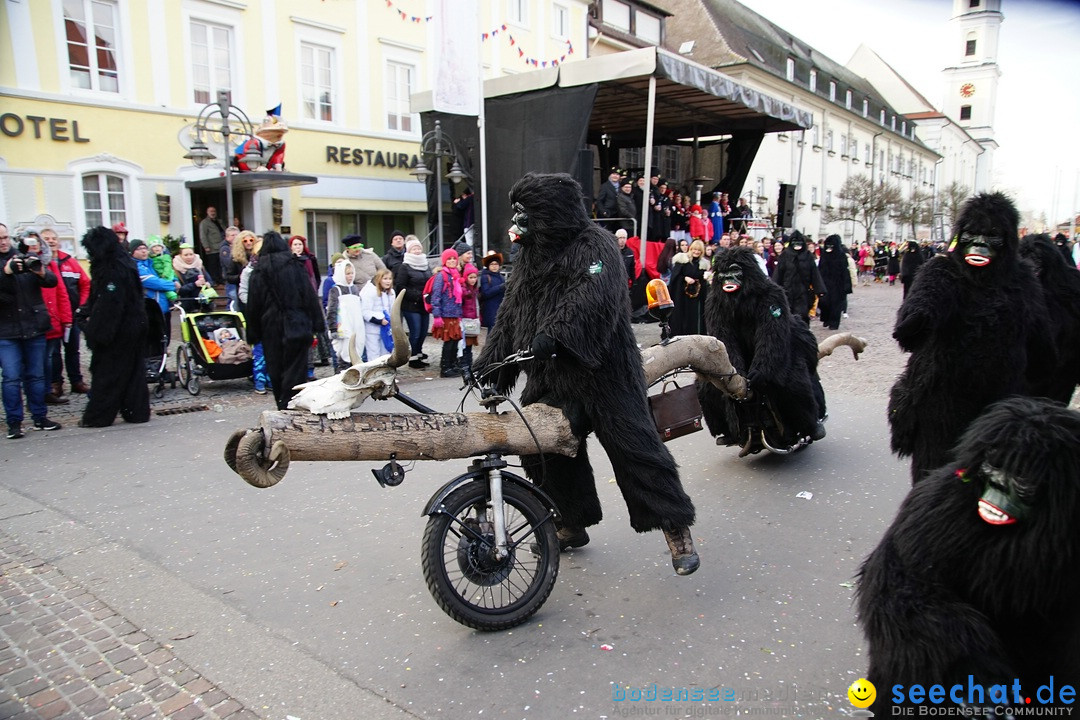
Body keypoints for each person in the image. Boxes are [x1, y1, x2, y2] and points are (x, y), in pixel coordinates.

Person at [245, 232, 326, 410]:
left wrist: (253, 333)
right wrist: (317, 323)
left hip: (270, 329)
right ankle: (292, 405)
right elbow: (309, 296)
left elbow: (253, 307)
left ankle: (282, 406)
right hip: (298, 325)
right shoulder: (296, 267)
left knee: (276, 370)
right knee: (297, 370)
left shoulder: (257, 273)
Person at [79, 226, 150, 428]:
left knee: (108, 373)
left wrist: (95, 333)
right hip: (135, 324)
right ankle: (136, 411)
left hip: (121, 329)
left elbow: (110, 305)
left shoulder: (111, 268)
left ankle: (98, 417)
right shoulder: (123, 262)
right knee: (134, 372)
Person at [22, 232, 72, 406]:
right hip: (30, 322)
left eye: (36, 242)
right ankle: (35, 397)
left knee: (49, 360)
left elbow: (61, 291)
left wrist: (66, 318)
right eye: (30, 242)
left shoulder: (49, 263)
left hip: (51, 319)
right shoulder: (18, 264)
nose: (34, 245)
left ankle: (47, 391)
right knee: (33, 364)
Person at [42, 228, 90, 397]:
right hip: (52, 317)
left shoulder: (70, 262)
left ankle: (76, 381)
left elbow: (85, 284)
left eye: (54, 238)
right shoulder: (40, 263)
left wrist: (82, 306)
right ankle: (56, 383)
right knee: (53, 353)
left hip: (72, 314)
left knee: (73, 350)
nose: (51, 241)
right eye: (46, 238)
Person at [290, 235, 329, 374]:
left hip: (310, 301)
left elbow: (316, 278)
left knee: (311, 336)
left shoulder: (310, 259)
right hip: (295, 303)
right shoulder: (288, 261)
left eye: (299, 244)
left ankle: (310, 368)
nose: (297, 247)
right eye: (295, 245)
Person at [131, 239, 179, 345]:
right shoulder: (135, 266)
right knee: (154, 340)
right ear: (133, 252)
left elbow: (168, 273)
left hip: (164, 306)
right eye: (139, 249)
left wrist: (175, 279)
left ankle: (163, 354)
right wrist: (172, 285)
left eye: (145, 248)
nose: (143, 251)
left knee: (166, 337)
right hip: (151, 308)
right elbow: (153, 282)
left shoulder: (153, 262)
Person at [393, 236, 431, 369]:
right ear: (409, 250)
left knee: (423, 331)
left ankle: (419, 352)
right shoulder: (405, 266)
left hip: (424, 304)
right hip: (410, 305)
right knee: (415, 331)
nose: (417, 251)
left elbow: (430, 281)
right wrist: (417, 295)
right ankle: (413, 357)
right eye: (414, 248)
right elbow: (400, 286)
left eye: (419, 248)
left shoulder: (426, 265)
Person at [429, 248, 463, 378]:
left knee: (455, 340)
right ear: (444, 261)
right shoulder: (441, 276)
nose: (452, 261)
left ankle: (453, 365)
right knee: (449, 341)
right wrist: (437, 315)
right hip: (446, 314)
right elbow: (436, 296)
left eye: (454, 258)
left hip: (455, 313)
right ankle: (445, 367)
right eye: (449, 259)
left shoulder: (455, 275)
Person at [668, 239, 710, 336]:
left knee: (694, 317)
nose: (696, 252)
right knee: (681, 316)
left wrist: (706, 278)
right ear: (691, 249)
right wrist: (684, 278)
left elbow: (703, 280)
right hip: (681, 296)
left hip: (696, 297)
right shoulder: (682, 261)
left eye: (699, 250)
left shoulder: (703, 264)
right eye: (695, 249)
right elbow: (675, 277)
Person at [326, 258, 363, 366]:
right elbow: (331, 310)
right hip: (343, 329)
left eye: (352, 273)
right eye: (347, 274)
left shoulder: (355, 289)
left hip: (356, 327)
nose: (350, 276)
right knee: (344, 354)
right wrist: (333, 329)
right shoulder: (336, 290)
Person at [358, 268, 396, 361]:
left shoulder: (391, 293)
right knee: (374, 355)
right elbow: (365, 311)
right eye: (385, 279)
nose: (388, 281)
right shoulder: (369, 291)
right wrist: (379, 320)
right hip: (372, 330)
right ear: (379, 279)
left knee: (386, 354)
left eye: (390, 279)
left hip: (387, 329)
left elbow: (392, 310)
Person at [816, 235, 851, 330]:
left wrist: (847, 286)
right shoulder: (824, 254)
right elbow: (819, 269)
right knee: (824, 303)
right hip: (825, 283)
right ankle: (826, 318)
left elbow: (845, 271)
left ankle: (834, 323)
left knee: (836, 305)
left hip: (837, 284)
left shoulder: (841, 256)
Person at [173, 242, 214, 312]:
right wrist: (194, 284)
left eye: (191, 254)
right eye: (186, 255)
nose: (189, 257)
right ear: (180, 256)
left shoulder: (199, 266)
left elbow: (210, 281)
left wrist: (208, 284)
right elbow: (179, 290)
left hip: (204, 303)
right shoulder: (175, 270)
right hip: (188, 304)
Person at [223, 230, 256, 311]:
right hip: (243, 291)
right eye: (245, 241)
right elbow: (228, 277)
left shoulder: (259, 255)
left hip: (257, 290)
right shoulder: (235, 258)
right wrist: (240, 277)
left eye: (251, 240)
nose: (248, 243)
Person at [459, 263, 481, 370]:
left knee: (470, 344)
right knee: (465, 344)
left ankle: (469, 363)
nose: (473, 280)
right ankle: (465, 364)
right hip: (465, 320)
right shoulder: (464, 290)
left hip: (472, 320)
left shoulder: (475, 290)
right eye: (470, 277)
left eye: (475, 277)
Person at [478, 251, 505, 330]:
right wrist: (500, 287)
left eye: (496, 264)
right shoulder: (485, 277)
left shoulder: (501, 277)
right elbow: (486, 293)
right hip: (490, 310)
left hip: (501, 309)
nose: (494, 266)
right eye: (492, 264)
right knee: (492, 333)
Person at [198, 207, 225, 283]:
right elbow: (203, 235)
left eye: (214, 211)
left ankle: (221, 279)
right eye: (211, 211)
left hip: (221, 246)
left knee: (220, 264)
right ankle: (214, 280)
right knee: (213, 265)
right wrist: (206, 246)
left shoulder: (219, 221)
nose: (213, 213)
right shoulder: (204, 223)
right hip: (212, 247)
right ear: (207, 212)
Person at [218, 225, 240, 306]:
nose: (235, 237)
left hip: (239, 280)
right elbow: (228, 264)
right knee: (232, 302)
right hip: (231, 280)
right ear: (227, 237)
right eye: (232, 235)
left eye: (237, 235)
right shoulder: (225, 249)